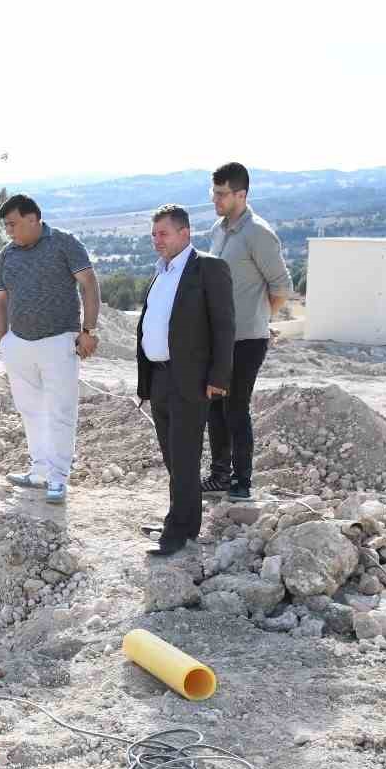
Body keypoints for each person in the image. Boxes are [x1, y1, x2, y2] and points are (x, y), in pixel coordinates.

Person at [135, 205, 234, 557]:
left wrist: (219, 378)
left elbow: (224, 327)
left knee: (185, 458)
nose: (156, 240)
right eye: (153, 234)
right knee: (173, 460)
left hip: (190, 381)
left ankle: (177, 533)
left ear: (184, 233)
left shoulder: (208, 268)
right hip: (160, 378)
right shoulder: (159, 274)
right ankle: (183, 522)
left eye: (163, 233)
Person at [0, 194, 102, 505]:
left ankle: (57, 478)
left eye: (13, 224)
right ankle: (39, 471)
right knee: (30, 410)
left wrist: (89, 331)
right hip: (19, 345)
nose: (9, 231)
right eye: (6, 226)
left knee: (60, 411)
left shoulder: (64, 243)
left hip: (58, 341)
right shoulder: (7, 254)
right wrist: (5, 341)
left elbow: (89, 284)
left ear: (33, 219)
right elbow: (0, 300)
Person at [204, 162, 294, 501]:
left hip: (248, 338)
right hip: (218, 338)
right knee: (214, 405)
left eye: (222, 193)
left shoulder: (259, 233)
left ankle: (242, 481)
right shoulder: (218, 229)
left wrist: (258, 317)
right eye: (213, 192)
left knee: (235, 408)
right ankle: (219, 476)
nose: (216, 199)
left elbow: (282, 287)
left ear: (241, 194)